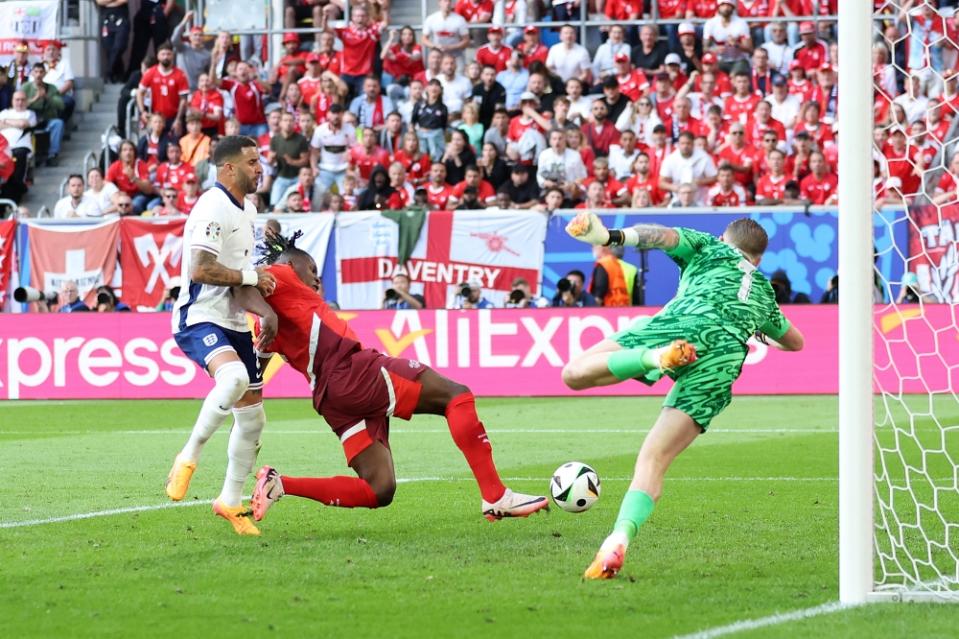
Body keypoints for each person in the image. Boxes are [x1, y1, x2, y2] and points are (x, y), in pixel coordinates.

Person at [232, 232, 547, 523]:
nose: (316, 276)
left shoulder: (271, 315)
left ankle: (279, 484)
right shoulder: (281, 274)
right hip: (353, 371)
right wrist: (268, 314)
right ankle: (496, 495)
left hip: (331, 399)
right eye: (311, 268)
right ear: (290, 264)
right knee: (456, 396)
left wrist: (263, 334)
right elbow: (241, 286)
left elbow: (259, 344)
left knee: (379, 488)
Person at [562, 213, 805, 579]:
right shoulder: (764, 293)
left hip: (684, 324)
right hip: (724, 359)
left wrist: (608, 235)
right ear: (759, 260)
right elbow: (796, 342)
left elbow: (658, 236)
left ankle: (653, 358)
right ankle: (618, 539)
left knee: (574, 373)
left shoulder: (710, 247)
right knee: (654, 461)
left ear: (725, 239)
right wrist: (753, 329)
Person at [165, 136, 277, 536]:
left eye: (259, 160)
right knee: (234, 379)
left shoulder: (247, 209)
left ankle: (230, 502)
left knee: (253, 419)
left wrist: (266, 313)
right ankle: (188, 456)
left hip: (230, 320)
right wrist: (251, 277)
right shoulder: (213, 206)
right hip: (198, 316)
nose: (259, 168)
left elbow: (242, 280)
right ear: (228, 168)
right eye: (251, 162)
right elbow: (201, 269)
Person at [96, 0, 130, 83]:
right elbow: (99, 2)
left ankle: (109, 72)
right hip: (106, 19)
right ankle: (119, 75)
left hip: (121, 18)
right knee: (109, 48)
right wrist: (114, 2)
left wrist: (108, 3)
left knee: (119, 46)